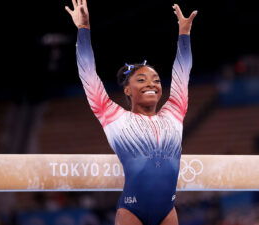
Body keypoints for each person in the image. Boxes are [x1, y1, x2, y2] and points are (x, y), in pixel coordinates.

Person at [65, 0, 197, 224]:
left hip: (168, 211)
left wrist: (184, 34)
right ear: (127, 89)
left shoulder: (174, 113)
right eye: (142, 79)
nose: (151, 84)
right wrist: (83, 29)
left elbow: (182, 72)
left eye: (156, 80)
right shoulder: (113, 116)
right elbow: (87, 72)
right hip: (132, 211)